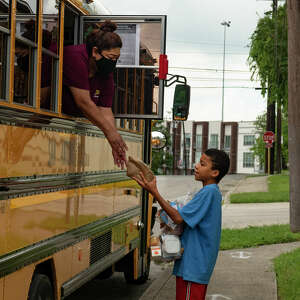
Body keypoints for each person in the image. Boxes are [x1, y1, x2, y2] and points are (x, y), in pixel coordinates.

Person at [133, 148, 230, 300]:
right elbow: (183, 217)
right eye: (199, 162)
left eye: (202, 164)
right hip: (192, 264)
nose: (197, 166)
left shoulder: (209, 193)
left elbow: (178, 217)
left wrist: (154, 191)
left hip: (194, 266)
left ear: (214, 173)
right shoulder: (208, 192)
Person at [62, 20, 128, 169]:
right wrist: (110, 134)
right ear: (95, 52)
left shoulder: (105, 71)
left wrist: (115, 143)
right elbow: (84, 102)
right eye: (111, 58)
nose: (113, 63)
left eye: (116, 59)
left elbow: (105, 109)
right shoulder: (75, 57)